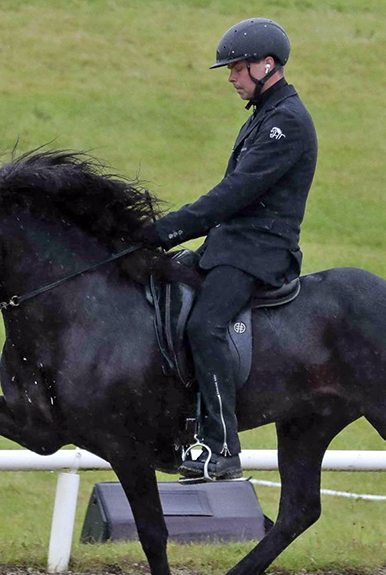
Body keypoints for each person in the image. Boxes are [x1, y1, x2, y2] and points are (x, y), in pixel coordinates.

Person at [137, 17, 318, 480]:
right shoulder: (263, 115)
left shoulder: (287, 123)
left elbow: (233, 194)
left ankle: (221, 447)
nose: (232, 78)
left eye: (237, 69)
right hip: (230, 245)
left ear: (267, 65)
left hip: (259, 251)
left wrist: (166, 230)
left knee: (206, 325)